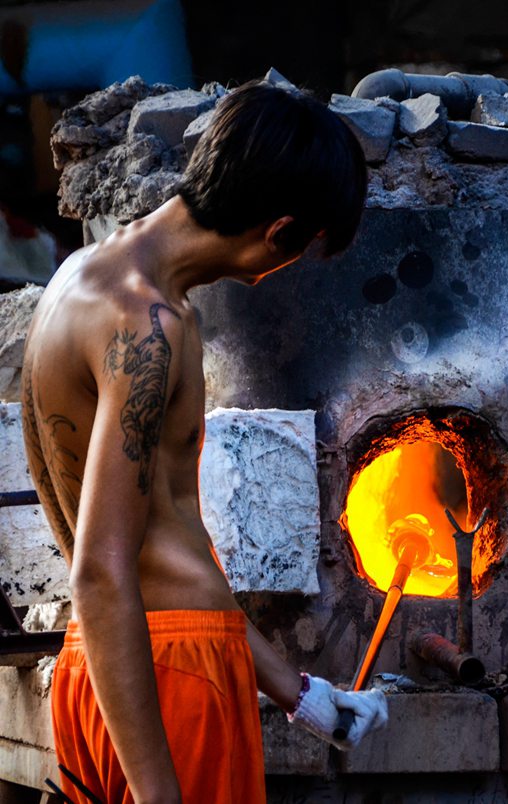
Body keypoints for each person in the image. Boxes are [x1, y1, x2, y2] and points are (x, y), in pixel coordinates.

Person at [20, 79, 387, 804]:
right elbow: (102, 569)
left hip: (100, 671)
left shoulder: (83, 280)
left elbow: (171, 532)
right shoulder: (146, 325)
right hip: (167, 680)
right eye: (303, 250)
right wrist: (159, 791)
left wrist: (299, 694)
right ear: (280, 231)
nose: (287, 269)